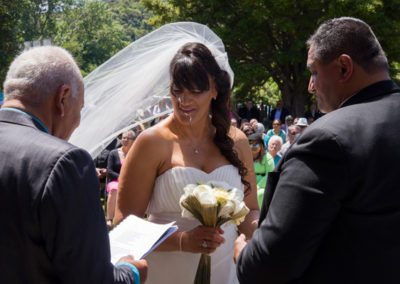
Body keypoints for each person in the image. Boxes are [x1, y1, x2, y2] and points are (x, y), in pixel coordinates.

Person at [235, 17, 400, 283]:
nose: (311, 86)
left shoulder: (326, 140)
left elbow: (269, 267)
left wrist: (244, 255)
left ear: (344, 67)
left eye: (314, 72)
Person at [114, 42, 259, 284]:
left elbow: (250, 208)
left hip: (224, 270)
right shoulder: (152, 142)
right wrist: (182, 241)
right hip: (168, 270)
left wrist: (263, 238)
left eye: (194, 91)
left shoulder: (237, 141)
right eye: (177, 91)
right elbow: (125, 223)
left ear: (214, 89)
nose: (184, 100)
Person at [0, 46, 147, 283]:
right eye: (79, 112)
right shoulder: (64, 163)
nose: (77, 124)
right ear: (63, 98)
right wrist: (130, 272)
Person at [106, 130, 136, 229]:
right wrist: (121, 178)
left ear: (133, 140)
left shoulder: (136, 154)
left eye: (128, 138)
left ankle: (133, 218)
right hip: (115, 181)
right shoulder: (113, 153)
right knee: (114, 189)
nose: (125, 140)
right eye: (123, 137)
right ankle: (109, 219)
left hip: (131, 181)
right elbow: (109, 171)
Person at [247, 133, 275, 208]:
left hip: (263, 186)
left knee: (260, 194)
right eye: (251, 144)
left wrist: (258, 186)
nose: (253, 146)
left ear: (261, 145)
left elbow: (270, 175)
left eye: (256, 144)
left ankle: (259, 216)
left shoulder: (267, 157)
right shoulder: (245, 157)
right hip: (248, 184)